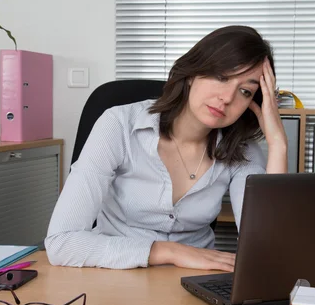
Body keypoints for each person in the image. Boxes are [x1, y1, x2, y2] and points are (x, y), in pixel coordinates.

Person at [45, 25, 288, 272]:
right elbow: (61, 242)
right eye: (221, 77)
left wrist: (277, 143)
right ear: (194, 72)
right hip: (115, 275)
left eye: (245, 91)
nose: (227, 97)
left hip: (194, 282)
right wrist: (168, 251)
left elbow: (266, 250)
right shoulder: (118, 124)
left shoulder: (241, 148)